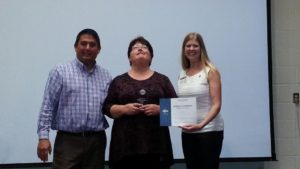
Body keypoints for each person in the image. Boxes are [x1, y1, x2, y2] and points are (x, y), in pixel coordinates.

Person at [37, 28, 112, 169]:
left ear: (99, 49)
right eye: (83, 43)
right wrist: (43, 137)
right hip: (68, 141)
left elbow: (109, 107)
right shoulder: (60, 71)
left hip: (97, 141)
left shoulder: (106, 75)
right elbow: (48, 105)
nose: (88, 48)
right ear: (75, 46)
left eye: (92, 44)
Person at [102, 36, 175, 169]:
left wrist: (160, 109)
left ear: (151, 56)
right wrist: (124, 109)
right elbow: (107, 108)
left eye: (144, 47)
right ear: (129, 57)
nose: (140, 48)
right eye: (135, 47)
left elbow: (178, 110)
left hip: (157, 146)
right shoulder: (119, 81)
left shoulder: (163, 80)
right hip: (125, 148)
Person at [177, 32, 224, 169]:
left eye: (195, 46)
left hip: (209, 130)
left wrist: (201, 125)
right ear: (184, 50)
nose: (191, 49)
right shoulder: (182, 73)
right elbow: (181, 103)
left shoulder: (211, 71)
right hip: (188, 131)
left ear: (201, 49)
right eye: (188, 46)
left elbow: (217, 105)